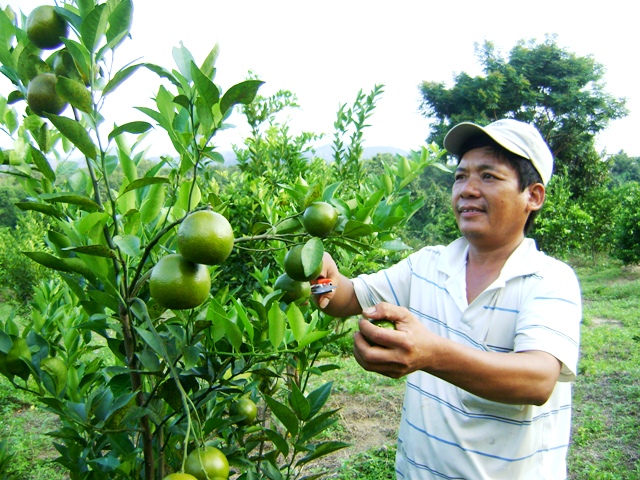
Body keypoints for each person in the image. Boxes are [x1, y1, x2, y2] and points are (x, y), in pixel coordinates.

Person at [314, 118, 582, 479]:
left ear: (533, 196)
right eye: (460, 176)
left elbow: (537, 380)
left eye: (488, 176)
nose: (467, 189)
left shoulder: (548, 279)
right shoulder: (427, 264)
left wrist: (431, 354)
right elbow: (347, 298)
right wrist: (320, 275)